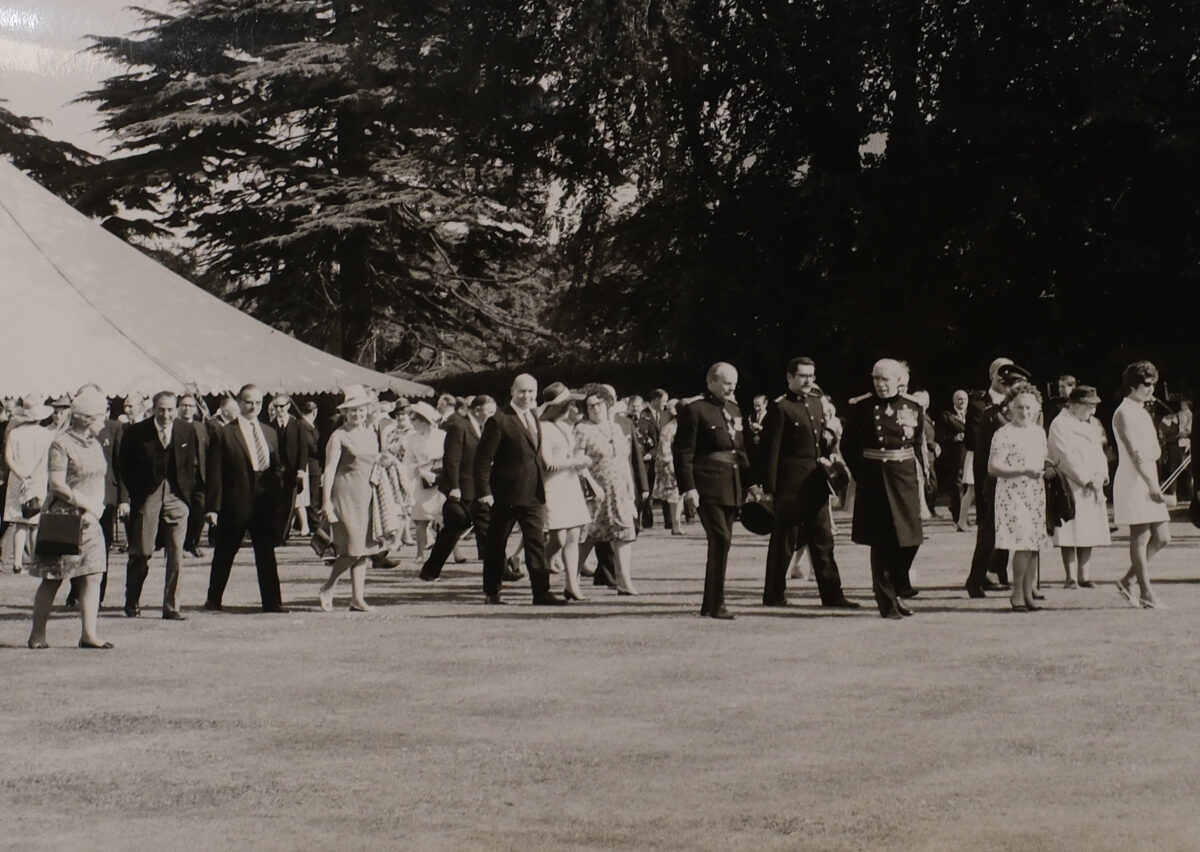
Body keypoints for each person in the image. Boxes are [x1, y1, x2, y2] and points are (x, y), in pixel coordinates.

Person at [759, 356, 859, 609]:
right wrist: (770, 489)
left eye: (811, 376)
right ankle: (773, 594)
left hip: (815, 483)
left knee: (823, 540)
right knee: (783, 543)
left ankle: (832, 595)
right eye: (802, 375)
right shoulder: (780, 407)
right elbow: (771, 452)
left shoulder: (815, 403)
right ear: (790, 377)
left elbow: (818, 442)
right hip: (789, 485)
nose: (808, 381)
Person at [25, 387, 114, 649]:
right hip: (63, 518)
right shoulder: (60, 443)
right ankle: (37, 634)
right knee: (53, 577)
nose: (104, 421)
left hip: (91, 519)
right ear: (87, 417)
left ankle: (89, 634)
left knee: (93, 575)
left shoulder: (96, 444)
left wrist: (94, 509)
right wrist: (85, 504)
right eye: (100, 416)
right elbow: (57, 483)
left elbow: (98, 478)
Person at [840, 359, 925, 620]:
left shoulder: (913, 406)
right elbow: (848, 447)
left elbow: (917, 442)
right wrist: (862, 475)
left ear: (899, 380)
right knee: (881, 543)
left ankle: (899, 586)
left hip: (904, 478)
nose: (880, 384)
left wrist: (923, 477)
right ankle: (887, 603)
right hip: (875, 479)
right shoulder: (861, 408)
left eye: (885, 379)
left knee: (910, 539)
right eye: (876, 378)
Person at [674, 362, 756, 619]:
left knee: (723, 543)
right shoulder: (694, 410)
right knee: (721, 538)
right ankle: (717, 602)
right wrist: (688, 488)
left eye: (734, 383)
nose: (731, 387)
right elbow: (684, 453)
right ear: (711, 381)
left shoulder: (733, 409)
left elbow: (740, 450)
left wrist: (751, 482)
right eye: (726, 382)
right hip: (707, 483)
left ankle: (709, 603)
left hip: (731, 484)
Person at [474, 373, 564, 606]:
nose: (527, 396)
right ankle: (492, 592)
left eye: (531, 392)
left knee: (535, 543)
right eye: (522, 391)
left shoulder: (534, 416)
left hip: (533, 492)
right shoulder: (499, 420)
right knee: (497, 544)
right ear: (512, 391)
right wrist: (485, 492)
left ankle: (541, 592)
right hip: (505, 494)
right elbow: (483, 461)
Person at [203, 384, 288, 613]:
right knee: (225, 552)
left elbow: (277, 464)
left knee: (266, 554)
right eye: (249, 402)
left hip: (264, 503)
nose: (253, 407)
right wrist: (213, 507)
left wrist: (276, 487)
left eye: (258, 403)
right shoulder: (225, 433)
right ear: (239, 403)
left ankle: (272, 603)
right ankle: (213, 599)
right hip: (236, 502)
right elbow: (215, 472)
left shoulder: (269, 432)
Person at [118, 390, 202, 620]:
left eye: (170, 410)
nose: (166, 415)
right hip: (148, 496)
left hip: (177, 497)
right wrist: (134, 495)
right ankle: (132, 599)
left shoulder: (187, 430)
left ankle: (171, 606)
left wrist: (188, 499)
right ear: (153, 409)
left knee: (176, 553)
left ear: (176, 410)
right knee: (142, 551)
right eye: (161, 410)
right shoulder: (136, 432)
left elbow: (191, 466)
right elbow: (123, 467)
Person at [964, 359, 1031, 598]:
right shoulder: (992, 415)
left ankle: (1022, 584)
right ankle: (975, 580)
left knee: (1024, 533)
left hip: (1023, 484)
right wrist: (985, 487)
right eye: (1015, 387)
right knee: (989, 533)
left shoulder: (1026, 415)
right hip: (997, 483)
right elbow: (982, 456)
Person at [1112, 361, 1171, 609]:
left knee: (1162, 537)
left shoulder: (1141, 411)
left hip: (1148, 476)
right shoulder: (1124, 412)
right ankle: (1146, 592)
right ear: (1133, 385)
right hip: (1134, 480)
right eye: (1146, 384)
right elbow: (1134, 453)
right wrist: (1150, 484)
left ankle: (1128, 581)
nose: (1151, 389)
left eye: (1153, 384)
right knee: (1141, 535)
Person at [317, 385, 381, 612]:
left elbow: (374, 461)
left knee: (364, 548)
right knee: (352, 548)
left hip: (366, 493)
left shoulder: (371, 433)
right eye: (353, 410)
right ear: (345, 412)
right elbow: (330, 470)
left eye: (361, 409)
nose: (357, 414)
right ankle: (328, 586)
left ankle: (357, 598)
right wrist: (326, 502)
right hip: (344, 494)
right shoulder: (338, 436)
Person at [420, 394, 497, 580]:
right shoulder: (459, 426)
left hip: (476, 488)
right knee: (455, 528)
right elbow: (451, 459)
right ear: (477, 410)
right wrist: (454, 486)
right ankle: (430, 570)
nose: (492, 415)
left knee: (481, 528)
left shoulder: (480, 427)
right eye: (490, 411)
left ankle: (501, 569)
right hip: (462, 487)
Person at [988, 382, 1049, 612]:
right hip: (1012, 494)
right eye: (1020, 408)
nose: (1025, 413)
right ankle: (1017, 594)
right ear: (1011, 408)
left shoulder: (1038, 432)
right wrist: (1023, 471)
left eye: (1029, 408)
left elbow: (1040, 459)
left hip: (1034, 493)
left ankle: (1028, 593)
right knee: (1023, 544)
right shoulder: (1004, 434)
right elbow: (993, 467)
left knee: (1033, 545)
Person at [576, 384, 640, 595]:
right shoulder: (582, 429)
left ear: (607, 404)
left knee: (624, 535)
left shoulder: (617, 428)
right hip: (596, 492)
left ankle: (624, 581)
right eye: (590, 406)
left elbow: (624, 461)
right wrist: (592, 485)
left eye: (599, 404)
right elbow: (578, 462)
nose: (595, 408)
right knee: (589, 535)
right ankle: (572, 579)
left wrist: (631, 493)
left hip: (619, 490)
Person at [1047, 385, 1111, 588]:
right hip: (1070, 484)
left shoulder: (1090, 424)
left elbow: (1100, 453)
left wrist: (1101, 476)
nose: (1092, 412)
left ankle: (1085, 575)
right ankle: (1071, 576)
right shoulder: (1060, 424)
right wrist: (1085, 478)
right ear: (1074, 405)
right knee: (1070, 530)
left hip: (1093, 485)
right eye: (1089, 406)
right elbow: (1063, 456)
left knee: (1088, 530)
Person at [538, 383, 595, 600]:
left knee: (573, 535)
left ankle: (572, 584)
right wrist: (576, 462)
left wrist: (578, 464)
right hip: (553, 485)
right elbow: (548, 462)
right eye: (572, 403)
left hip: (570, 484)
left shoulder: (569, 428)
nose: (577, 407)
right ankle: (538, 567)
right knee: (558, 538)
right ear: (562, 405)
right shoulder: (544, 427)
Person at [1, 394, 55, 575]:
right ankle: (34, 560)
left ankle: (17, 563)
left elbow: (8, 457)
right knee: (35, 522)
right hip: (37, 478)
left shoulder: (14, 433)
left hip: (18, 479)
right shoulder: (47, 435)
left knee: (19, 522)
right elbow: (45, 460)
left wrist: (21, 475)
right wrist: (31, 476)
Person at [404, 401, 446, 564]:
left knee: (445, 518)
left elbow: (449, 456)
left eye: (414, 419)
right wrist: (420, 470)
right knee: (421, 519)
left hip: (440, 480)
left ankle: (452, 552)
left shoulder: (442, 436)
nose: (412, 422)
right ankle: (420, 553)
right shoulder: (412, 438)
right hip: (422, 482)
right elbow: (407, 460)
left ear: (423, 420)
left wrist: (436, 469)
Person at [267, 394, 308, 542]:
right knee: (275, 503)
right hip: (275, 471)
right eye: (276, 407)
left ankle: (282, 535)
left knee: (289, 505)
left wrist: (301, 469)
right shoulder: (270, 425)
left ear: (288, 406)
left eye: (282, 406)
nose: (279, 409)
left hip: (292, 472)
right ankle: (276, 534)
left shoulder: (298, 425)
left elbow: (303, 449)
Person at [177, 393, 210, 557]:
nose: (187, 409)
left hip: (199, 475)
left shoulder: (201, 427)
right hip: (181, 475)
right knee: (182, 511)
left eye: (191, 406)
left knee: (200, 508)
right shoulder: (174, 426)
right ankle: (179, 546)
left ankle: (193, 542)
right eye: (184, 405)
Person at [937, 390, 969, 529]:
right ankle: (958, 517)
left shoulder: (973, 414)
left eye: (964, 399)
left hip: (971, 455)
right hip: (956, 457)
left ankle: (967, 516)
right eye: (959, 399)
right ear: (954, 401)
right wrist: (954, 438)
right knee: (957, 486)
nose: (962, 402)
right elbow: (940, 437)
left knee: (970, 487)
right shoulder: (946, 416)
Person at [651, 400, 683, 535]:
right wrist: (670, 464)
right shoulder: (670, 428)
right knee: (675, 496)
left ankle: (677, 523)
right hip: (672, 465)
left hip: (680, 464)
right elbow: (664, 450)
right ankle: (676, 525)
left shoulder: (681, 426)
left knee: (679, 496)